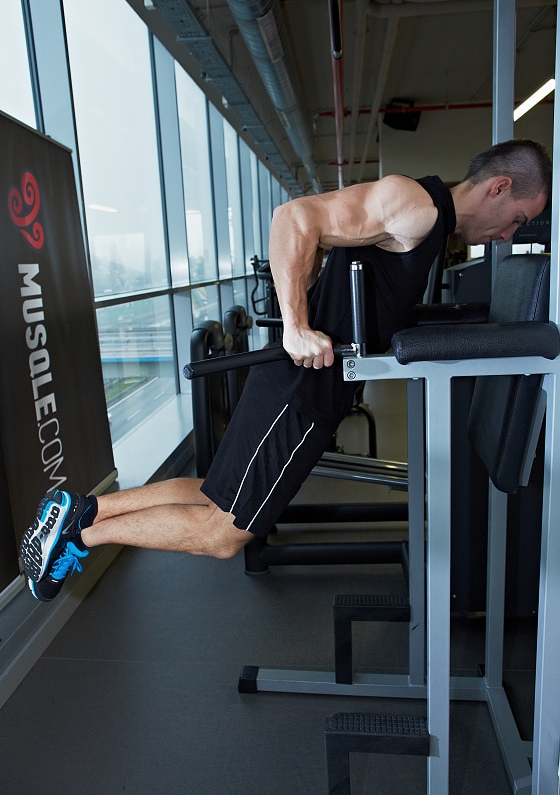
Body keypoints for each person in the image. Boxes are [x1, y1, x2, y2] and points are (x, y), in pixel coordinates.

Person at [20, 138, 552, 602]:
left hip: (301, 386)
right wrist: (294, 326)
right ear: (499, 187)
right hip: (301, 389)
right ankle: (77, 537)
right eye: (519, 219)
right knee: (223, 534)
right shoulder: (417, 206)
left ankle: (79, 508)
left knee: (213, 496)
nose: (508, 235)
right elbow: (294, 217)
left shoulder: (431, 223)